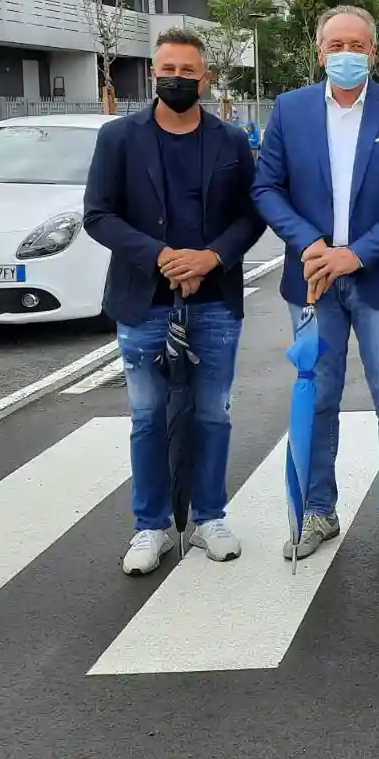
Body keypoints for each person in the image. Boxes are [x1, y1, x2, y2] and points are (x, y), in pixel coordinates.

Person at [252, 5, 379, 558]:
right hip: (312, 278)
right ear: (319, 51)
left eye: (357, 45)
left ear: (373, 54)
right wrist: (311, 244)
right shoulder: (290, 110)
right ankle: (317, 510)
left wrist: (356, 254)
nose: (346, 54)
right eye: (336, 45)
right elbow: (267, 188)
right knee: (318, 395)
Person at [83, 28, 265, 576]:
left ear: (205, 78)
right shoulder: (119, 138)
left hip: (213, 300)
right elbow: (98, 214)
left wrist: (212, 257)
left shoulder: (231, 141)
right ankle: (152, 526)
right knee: (147, 416)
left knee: (212, 413)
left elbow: (252, 214)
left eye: (189, 71)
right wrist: (161, 255)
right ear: (153, 74)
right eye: (169, 70)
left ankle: (209, 516)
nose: (178, 80)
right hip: (145, 299)